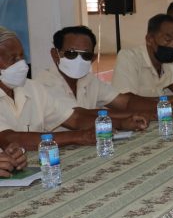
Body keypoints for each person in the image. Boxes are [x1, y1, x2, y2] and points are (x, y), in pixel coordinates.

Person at [0, 27, 146, 150]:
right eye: (13, 59)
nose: (22, 64)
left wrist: (121, 123)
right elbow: (10, 139)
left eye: (22, 56)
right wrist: (78, 136)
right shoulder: (44, 82)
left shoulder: (32, 88)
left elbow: (75, 119)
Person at [38, 25, 173, 118]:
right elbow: (78, 117)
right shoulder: (45, 84)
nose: (79, 60)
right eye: (71, 54)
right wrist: (148, 113)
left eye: (86, 55)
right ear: (55, 54)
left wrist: (165, 104)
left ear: (93, 58)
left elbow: (125, 102)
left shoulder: (88, 80)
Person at [113, 14, 173, 100]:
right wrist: (172, 101)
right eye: (168, 39)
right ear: (150, 39)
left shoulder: (166, 62)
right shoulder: (129, 58)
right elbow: (125, 100)